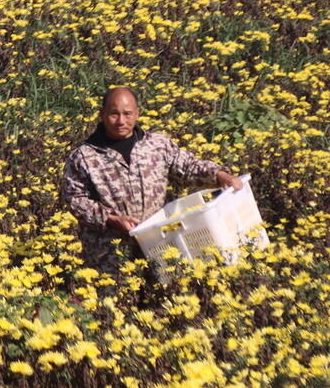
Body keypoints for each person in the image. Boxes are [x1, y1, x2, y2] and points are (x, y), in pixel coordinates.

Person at [61, 86, 242, 271]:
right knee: (115, 298)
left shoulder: (157, 145)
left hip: (160, 244)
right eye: (114, 114)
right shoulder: (83, 157)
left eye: (127, 114)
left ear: (137, 114)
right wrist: (109, 218)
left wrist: (220, 175)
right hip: (110, 253)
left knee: (167, 293)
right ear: (102, 114)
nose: (121, 121)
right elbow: (74, 199)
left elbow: (187, 166)